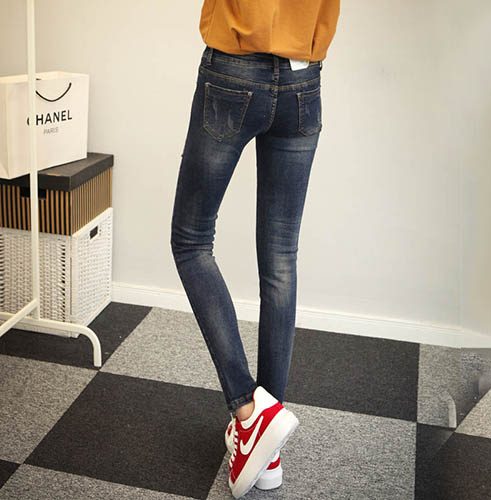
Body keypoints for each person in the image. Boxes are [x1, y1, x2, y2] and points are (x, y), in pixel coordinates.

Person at [170, 1, 341, 498]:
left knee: (190, 240)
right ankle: (268, 446)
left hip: (234, 68)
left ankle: (248, 411)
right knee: (281, 257)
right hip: (304, 75)